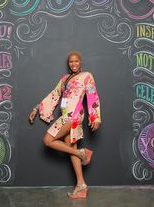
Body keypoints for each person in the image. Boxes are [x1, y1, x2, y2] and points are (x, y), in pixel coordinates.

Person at [29, 51, 101, 199]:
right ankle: (81, 185)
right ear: (68, 64)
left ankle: (82, 154)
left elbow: (93, 95)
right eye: (71, 62)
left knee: (48, 141)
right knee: (71, 147)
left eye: (76, 61)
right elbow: (54, 94)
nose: (73, 64)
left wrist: (95, 118)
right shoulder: (64, 79)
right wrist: (36, 108)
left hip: (73, 116)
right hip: (64, 116)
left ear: (80, 62)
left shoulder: (86, 76)